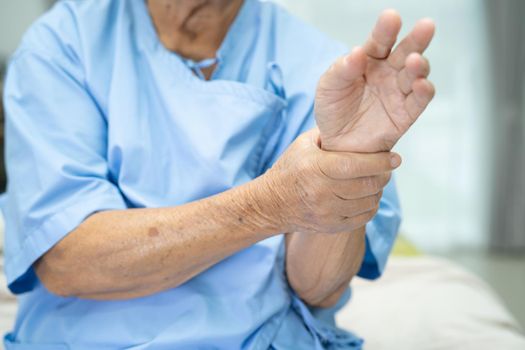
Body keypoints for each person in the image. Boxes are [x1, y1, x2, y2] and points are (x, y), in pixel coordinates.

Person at [2, 0, 434, 348]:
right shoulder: (64, 45)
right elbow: (67, 262)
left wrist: (347, 162)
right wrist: (272, 204)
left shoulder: (323, 67)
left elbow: (318, 288)